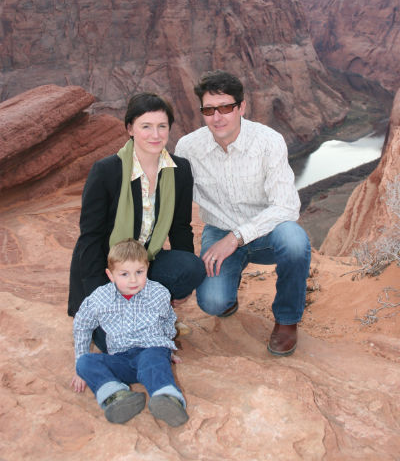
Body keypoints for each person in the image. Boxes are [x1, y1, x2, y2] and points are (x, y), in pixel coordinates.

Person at [175, 70, 311, 356]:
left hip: (268, 231)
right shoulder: (188, 148)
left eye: (226, 107)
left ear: (242, 107)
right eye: (209, 110)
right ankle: (228, 290)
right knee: (213, 303)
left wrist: (235, 238)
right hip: (219, 230)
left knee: (295, 242)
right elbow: (175, 204)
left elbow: (286, 206)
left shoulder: (268, 141)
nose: (217, 117)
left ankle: (287, 320)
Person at [68, 92, 206, 351]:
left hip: (145, 263)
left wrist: (180, 285)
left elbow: (180, 228)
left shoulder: (179, 170)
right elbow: (90, 238)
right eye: (146, 126)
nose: (155, 134)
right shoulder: (106, 171)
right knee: (118, 344)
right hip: (108, 269)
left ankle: (154, 309)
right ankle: (135, 317)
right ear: (130, 128)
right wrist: (99, 295)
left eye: (162, 126)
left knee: (192, 268)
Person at [71, 238, 189, 427]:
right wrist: (79, 363)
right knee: (85, 362)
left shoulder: (159, 293)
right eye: (124, 274)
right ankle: (117, 396)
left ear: (147, 268)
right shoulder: (100, 298)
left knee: (154, 359)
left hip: (150, 351)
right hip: (121, 360)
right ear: (110, 275)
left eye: (139, 272)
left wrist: (168, 349)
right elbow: (82, 325)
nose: (133, 280)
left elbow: (168, 320)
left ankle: (167, 398)